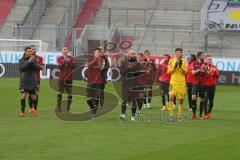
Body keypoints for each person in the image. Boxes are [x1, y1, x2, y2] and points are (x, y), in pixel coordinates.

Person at [18, 46, 43, 117]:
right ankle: (22, 112)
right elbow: (22, 68)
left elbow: (39, 67)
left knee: (34, 98)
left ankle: (33, 109)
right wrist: (29, 61)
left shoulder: (34, 60)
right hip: (24, 81)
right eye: (28, 51)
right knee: (23, 96)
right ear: (25, 52)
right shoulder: (21, 60)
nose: (30, 52)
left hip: (32, 81)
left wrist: (36, 63)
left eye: (30, 51)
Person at [119, 50, 142, 121]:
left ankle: (133, 116)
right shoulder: (124, 63)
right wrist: (128, 68)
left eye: (135, 54)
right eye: (132, 54)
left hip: (134, 84)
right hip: (126, 84)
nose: (134, 55)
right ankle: (123, 114)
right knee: (124, 100)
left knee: (134, 100)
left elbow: (138, 74)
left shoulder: (138, 63)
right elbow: (122, 73)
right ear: (128, 55)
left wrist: (133, 68)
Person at [167, 48, 188, 121]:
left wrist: (181, 66)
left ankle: (180, 115)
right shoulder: (171, 60)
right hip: (173, 82)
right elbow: (169, 71)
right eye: (179, 52)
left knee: (181, 100)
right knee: (171, 98)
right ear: (176, 52)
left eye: (182, 52)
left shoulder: (184, 61)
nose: (181, 53)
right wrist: (175, 67)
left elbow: (185, 72)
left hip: (181, 82)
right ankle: (171, 116)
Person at [85, 49, 104, 119]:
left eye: (99, 52)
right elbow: (88, 65)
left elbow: (101, 67)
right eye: (97, 52)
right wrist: (95, 60)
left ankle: (93, 113)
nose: (98, 53)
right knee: (88, 99)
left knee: (96, 98)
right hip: (90, 81)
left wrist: (98, 60)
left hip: (98, 81)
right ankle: (92, 108)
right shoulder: (89, 58)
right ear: (94, 53)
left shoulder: (101, 59)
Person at [56, 47, 75, 112]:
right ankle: (59, 107)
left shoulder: (71, 58)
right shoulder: (59, 58)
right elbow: (59, 67)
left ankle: (68, 107)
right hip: (61, 78)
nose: (65, 50)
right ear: (62, 51)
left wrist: (68, 61)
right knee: (60, 92)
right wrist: (64, 61)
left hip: (69, 78)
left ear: (67, 51)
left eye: (66, 49)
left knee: (70, 93)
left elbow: (73, 67)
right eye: (64, 49)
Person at [191, 52, 208, 120]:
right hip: (195, 83)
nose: (204, 57)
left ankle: (200, 114)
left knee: (202, 99)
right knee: (193, 97)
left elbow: (207, 74)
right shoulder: (194, 63)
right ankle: (193, 113)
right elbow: (193, 72)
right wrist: (201, 69)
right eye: (203, 56)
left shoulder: (205, 64)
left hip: (203, 84)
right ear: (199, 56)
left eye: (204, 56)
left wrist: (206, 70)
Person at [28, 45, 44, 116]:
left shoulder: (40, 58)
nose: (34, 50)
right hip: (28, 78)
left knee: (36, 93)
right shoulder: (27, 58)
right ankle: (31, 108)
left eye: (35, 49)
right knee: (29, 94)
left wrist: (35, 66)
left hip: (37, 78)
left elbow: (42, 67)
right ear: (30, 50)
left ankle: (35, 108)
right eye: (32, 49)